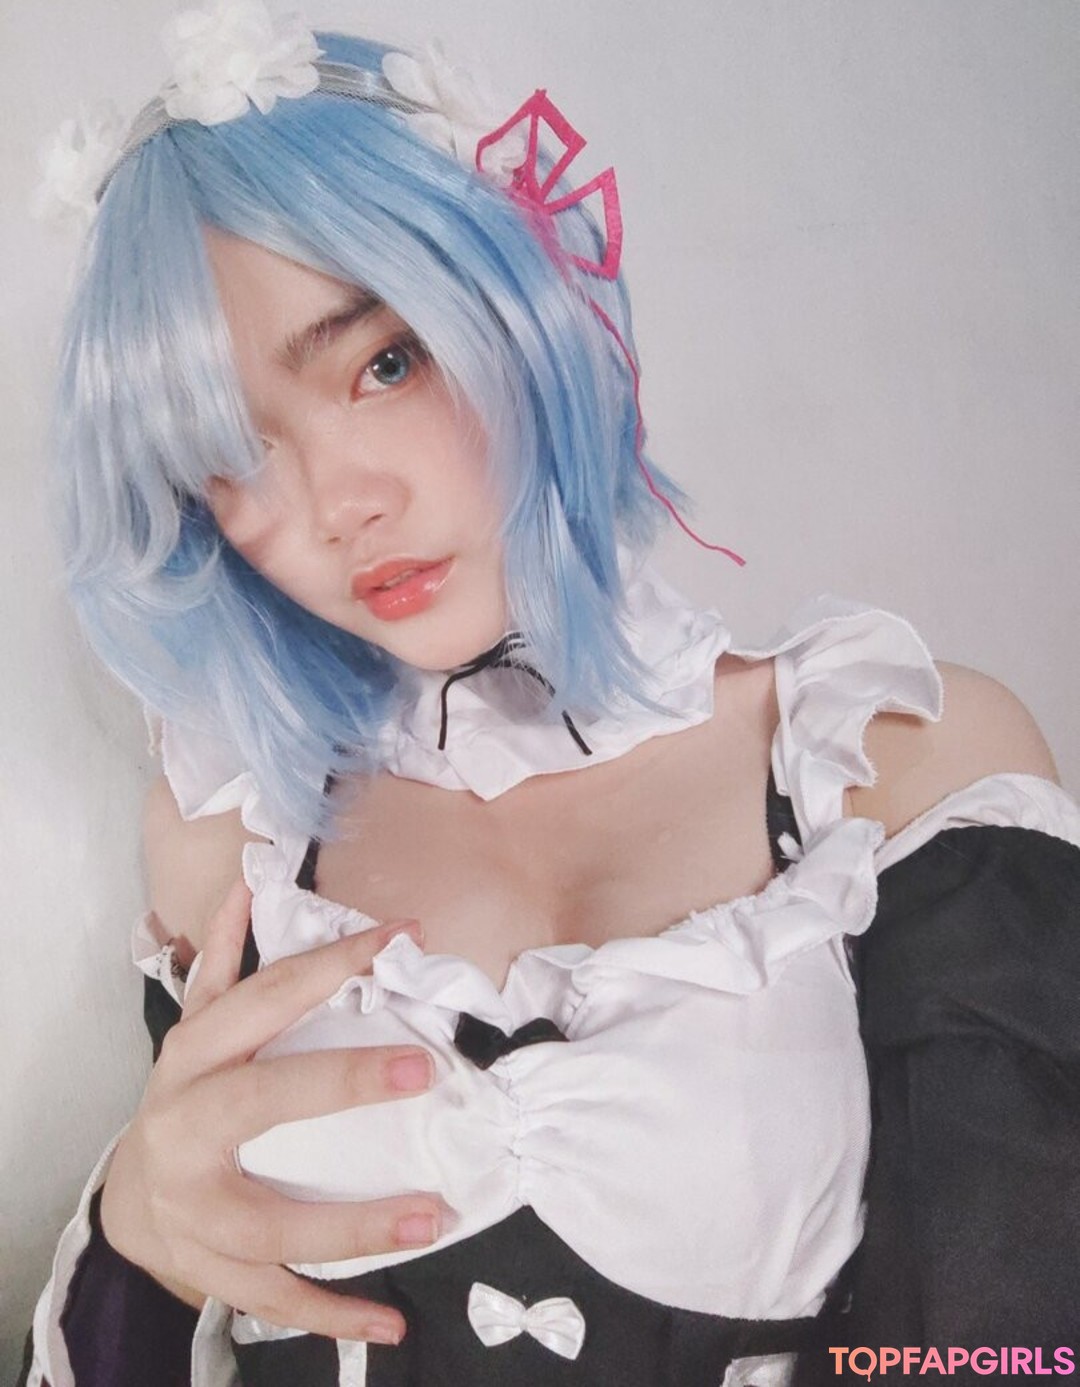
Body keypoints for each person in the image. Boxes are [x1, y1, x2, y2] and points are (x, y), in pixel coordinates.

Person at [22, 6, 1080, 1386]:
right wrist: (139, 1241)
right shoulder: (237, 839)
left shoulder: (898, 758)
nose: (341, 505)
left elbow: (1014, 1348)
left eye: (386, 361)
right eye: (232, 452)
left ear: (525, 309)